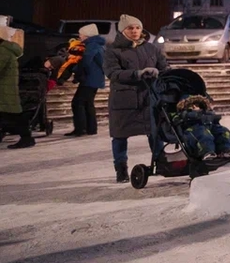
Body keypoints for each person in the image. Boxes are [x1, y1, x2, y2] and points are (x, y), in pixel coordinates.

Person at [103, 14, 168, 183]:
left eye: (137, 27)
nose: (134, 31)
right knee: (120, 136)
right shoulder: (113, 50)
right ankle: (121, 169)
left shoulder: (151, 48)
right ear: (122, 30)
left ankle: (160, 163)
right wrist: (137, 74)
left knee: (154, 133)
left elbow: (164, 67)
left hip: (148, 99)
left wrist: (159, 73)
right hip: (124, 101)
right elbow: (112, 73)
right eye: (130, 28)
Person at [64, 24, 106, 137]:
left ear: (87, 35)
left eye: (81, 34)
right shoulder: (97, 45)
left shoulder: (92, 46)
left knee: (78, 102)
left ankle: (81, 128)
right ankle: (91, 128)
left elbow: (85, 62)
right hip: (94, 78)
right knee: (88, 103)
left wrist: (77, 72)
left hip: (90, 78)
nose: (79, 36)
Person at [1, 37, 35, 149]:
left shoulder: (3, 51)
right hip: (5, 89)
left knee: (13, 115)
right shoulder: (5, 49)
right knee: (8, 114)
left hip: (5, 90)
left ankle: (26, 138)